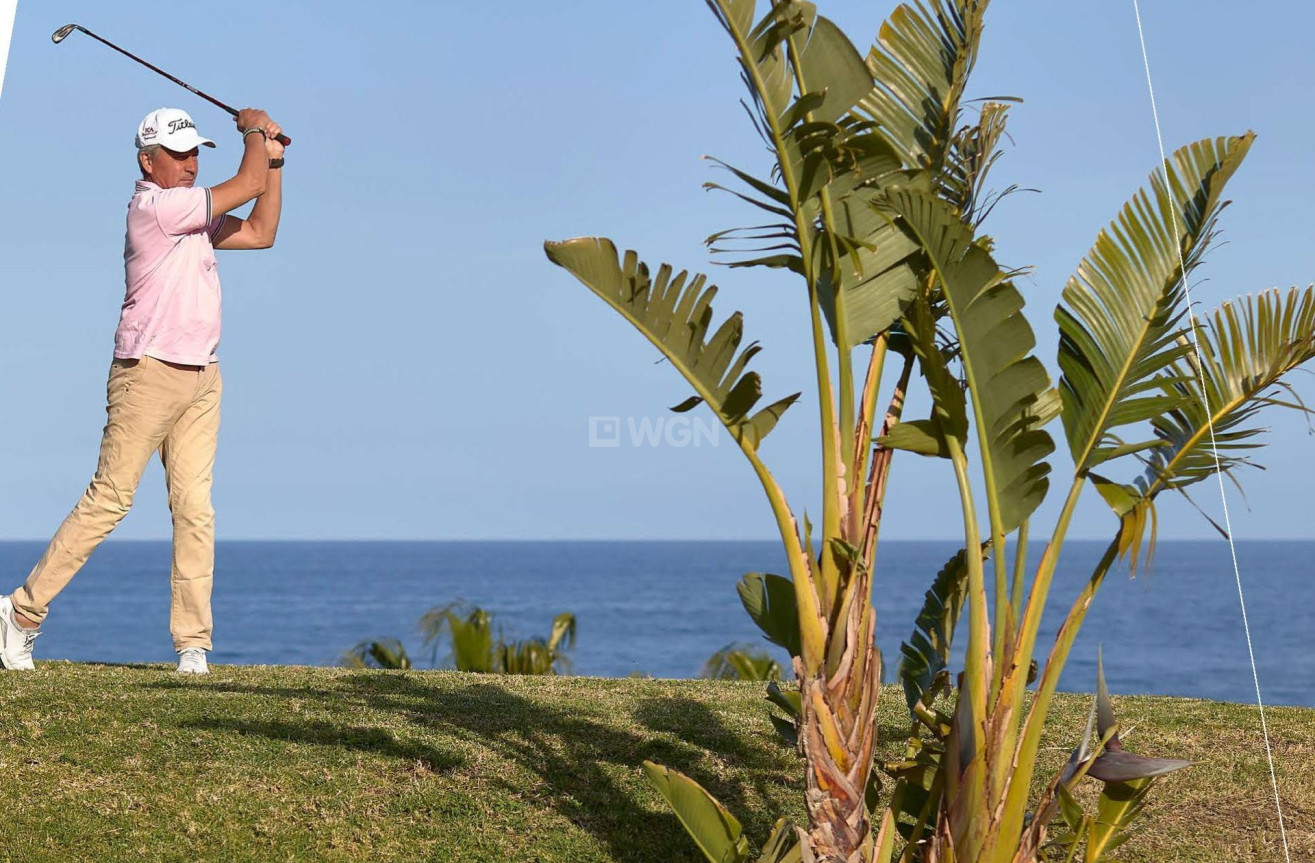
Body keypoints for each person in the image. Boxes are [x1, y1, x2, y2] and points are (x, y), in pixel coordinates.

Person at [0, 106, 285, 675]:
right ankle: (19, 614)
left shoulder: (194, 214)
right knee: (110, 499)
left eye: (194, 152)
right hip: (147, 372)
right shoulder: (156, 208)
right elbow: (245, 183)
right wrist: (254, 129)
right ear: (146, 161)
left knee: (196, 509)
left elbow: (260, 233)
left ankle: (193, 646)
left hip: (203, 375)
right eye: (177, 154)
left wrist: (273, 162)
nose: (189, 163)